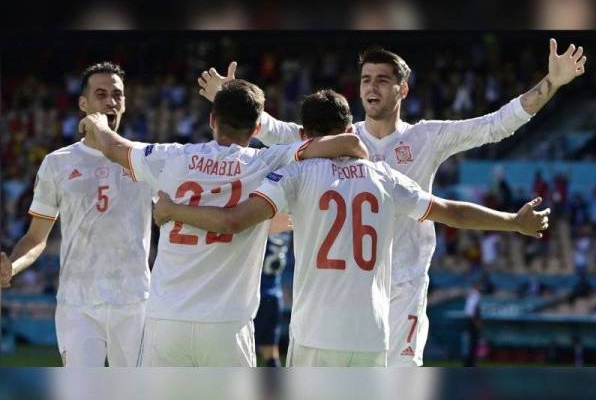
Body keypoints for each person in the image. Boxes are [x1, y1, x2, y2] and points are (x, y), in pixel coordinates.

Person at [196, 38, 585, 366]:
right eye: (366, 79)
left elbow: (497, 124)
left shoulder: (427, 136)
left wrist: (552, 82)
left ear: (402, 90)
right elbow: (277, 131)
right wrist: (230, 100)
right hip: (346, 291)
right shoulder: (341, 138)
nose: (372, 86)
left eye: (383, 79)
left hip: (403, 286)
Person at [152, 89, 550, 367]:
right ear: (349, 130)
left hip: (314, 330)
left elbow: (234, 219)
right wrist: (512, 222)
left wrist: (173, 209)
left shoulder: (294, 175)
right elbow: (452, 212)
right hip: (371, 333)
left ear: (305, 137)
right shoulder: (385, 177)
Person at [79, 79, 368, 367]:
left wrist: (98, 124)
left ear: (212, 119)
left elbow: (114, 148)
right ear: (256, 129)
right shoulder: (265, 160)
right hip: (227, 324)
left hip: (166, 319)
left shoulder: (173, 157)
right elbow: (349, 143)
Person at [0, 62, 152, 367]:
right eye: (101, 94)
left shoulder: (147, 158)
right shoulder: (57, 163)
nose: (111, 101)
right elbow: (35, 237)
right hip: (78, 304)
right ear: (84, 104)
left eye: (117, 95)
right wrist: (11, 268)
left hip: (135, 303)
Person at [255, 231, 292, 367]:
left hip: (257, 295)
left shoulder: (265, 223)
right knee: (270, 351)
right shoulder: (286, 227)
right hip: (275, 295)